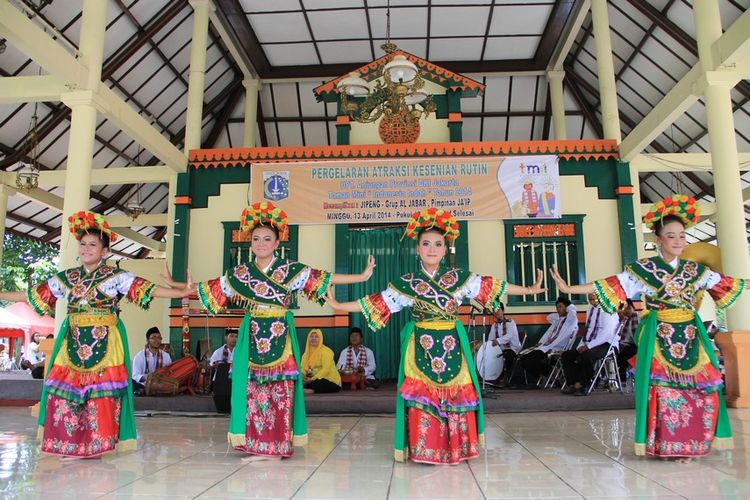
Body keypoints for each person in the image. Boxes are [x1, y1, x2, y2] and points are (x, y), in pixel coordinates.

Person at [325, 208, 545, 465]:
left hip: (451, 344)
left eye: (438, 244)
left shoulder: (460, 278)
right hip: (422, 345)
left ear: (445, 249)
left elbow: (492, 286)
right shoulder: (407, 283)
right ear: (417, 249)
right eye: (426, 243)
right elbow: (380, 302)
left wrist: (528, 289)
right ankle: (426, 448)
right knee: (423, 394)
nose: (432, 248)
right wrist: (341, 306)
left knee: (454, 392)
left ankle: (456, 448)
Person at [165, 201, 375, 461]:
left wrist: (361, 276)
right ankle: (258, 445)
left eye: (267, 239)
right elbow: (208, 288)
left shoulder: (290, 270)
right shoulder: (241, 274)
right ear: (249, 242)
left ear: (277, 243)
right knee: (254, 392)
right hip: (253, 337)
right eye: (256, 239)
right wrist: (178, 285)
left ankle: (276, 446)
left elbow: (325, 277)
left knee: (279, 392)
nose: (261, 243)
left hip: (279, 338)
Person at [550, 194, 748, 459]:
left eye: (681, 235)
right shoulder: (644, 270)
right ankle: (668, 443)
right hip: (660, 336)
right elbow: (610, 284)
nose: (678, 241)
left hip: (690, 335)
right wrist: (569, 288)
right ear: (658, 240)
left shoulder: (695, 270)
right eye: (671, 235)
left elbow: (731, 283)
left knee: (699, 387)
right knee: (665, 390)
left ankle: (694, 444)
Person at [0, 211, 194, 459]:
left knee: (101, 393)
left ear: (105, 251)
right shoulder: (67, 278)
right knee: (66, 391)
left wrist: (180, 293)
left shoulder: (116, 277)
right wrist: (3, 295)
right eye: (83, 244)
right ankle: (69, 442)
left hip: (105, 341)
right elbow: (34, 297)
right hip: (73, 341)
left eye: (93, 244)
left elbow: (149, 290)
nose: (86, 248)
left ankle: (97, 445)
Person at [560, 293, 619, 395]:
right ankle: (574, 384)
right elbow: (588, 330)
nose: (592, 301)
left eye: (594, 299)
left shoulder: (609, 310)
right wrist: (581, 345)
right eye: (590, 299)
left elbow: (606, 334)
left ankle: (585, 385)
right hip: (590, 342)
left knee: (586, 356)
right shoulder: (590, 309)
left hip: (607, 343)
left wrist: (588, 346)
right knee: (567, 356)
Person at [517, 297, 578, 386]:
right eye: (557, 307)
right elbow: (549, 317)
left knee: (528, 360)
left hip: (555, 348)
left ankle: (549, 373)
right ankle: (550, 371)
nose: (558, 309)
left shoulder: (571, 321)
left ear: (567, 308)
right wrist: (561, 313)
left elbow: (572, 313)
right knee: (522, 358)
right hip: (545, 346)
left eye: (560, 307)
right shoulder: (557, 320)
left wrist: (569, 307)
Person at [132, 327, 173, 395]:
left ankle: (145, 391)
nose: (157, 340)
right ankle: (144, 390)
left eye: (159, 338)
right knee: (129, 382)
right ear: (147, 340)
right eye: (153, 337)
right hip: (144, 384)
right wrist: (147, 378)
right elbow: (135, 375)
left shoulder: (166, 356)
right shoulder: (139, 356)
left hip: (160, 384)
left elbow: (170, 373)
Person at [487, 302, 521, 382]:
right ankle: (492, 376)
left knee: (508, 354)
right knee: (490, 354)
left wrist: (497, 341)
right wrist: (489, 345)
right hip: (501, 350)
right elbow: (490, 339)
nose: (496, 312)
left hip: (512, 348)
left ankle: (506, 377)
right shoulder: (494, 325)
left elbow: (509, 336)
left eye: (498, 310)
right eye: (494, 310)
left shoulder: (510, 322)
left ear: (503, 311)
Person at [301, 329, 341, 394]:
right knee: (299, 382)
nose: (313, 338)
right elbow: (302, 369)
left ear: (321, 339)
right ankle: (306, 389)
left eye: (316, 337)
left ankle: (310, 390)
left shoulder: (326, 351)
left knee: (319, 383)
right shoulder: (305, 354)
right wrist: (303, 377)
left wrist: (312, 379)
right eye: (311, 336)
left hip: (330, 380)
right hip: (312, 379)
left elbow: (326, 370)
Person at [210, 330, 237, 413]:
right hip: (221, 379)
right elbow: (212, 363)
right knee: (221, 397)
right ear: (226, 338)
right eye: (231, 336)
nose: (234, 339)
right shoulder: (218, 351)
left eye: (236, 336)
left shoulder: (240, 351)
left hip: (235, 379)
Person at [616, 299, 639, 381]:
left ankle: (622, 375)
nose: (627, 311)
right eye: (624, 309)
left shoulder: (635, 316)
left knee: (623, 354)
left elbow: (636, 336)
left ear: (633, 307)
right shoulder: (622, 318)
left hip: (633, 345)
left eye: (629, 308)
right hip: (622, 344)